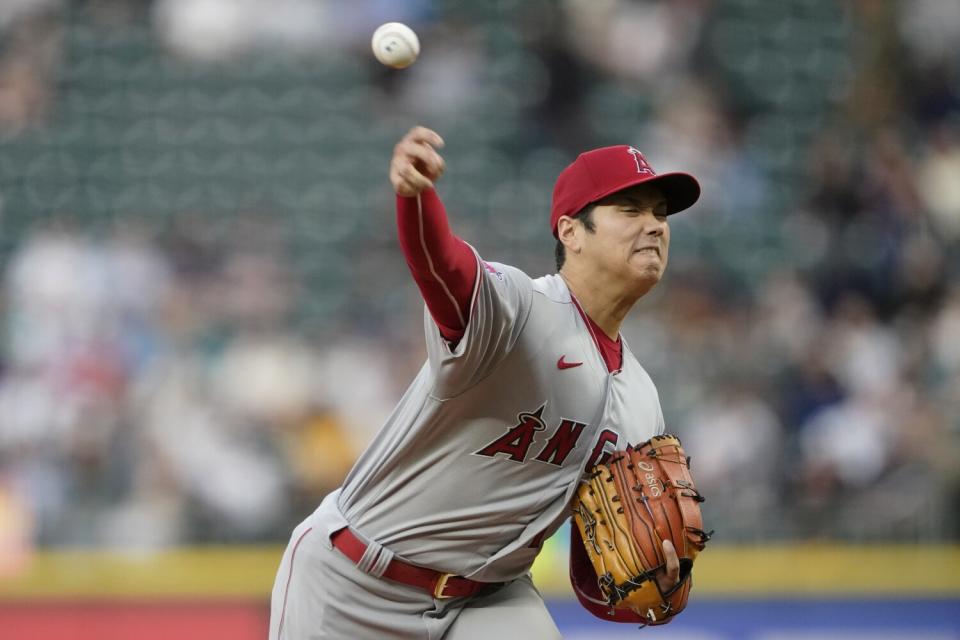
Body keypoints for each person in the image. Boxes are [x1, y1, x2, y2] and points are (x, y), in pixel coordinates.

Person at [269, 126, 701, 639]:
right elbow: (444, 271)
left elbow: (596, 576)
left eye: (659, 213)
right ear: (570, 232)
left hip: (488, 599)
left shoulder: (641, 401)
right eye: (630, 211)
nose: (653, 225)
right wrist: (417, 199)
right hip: (354, 579)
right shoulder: (521, 310)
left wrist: (654, 583)